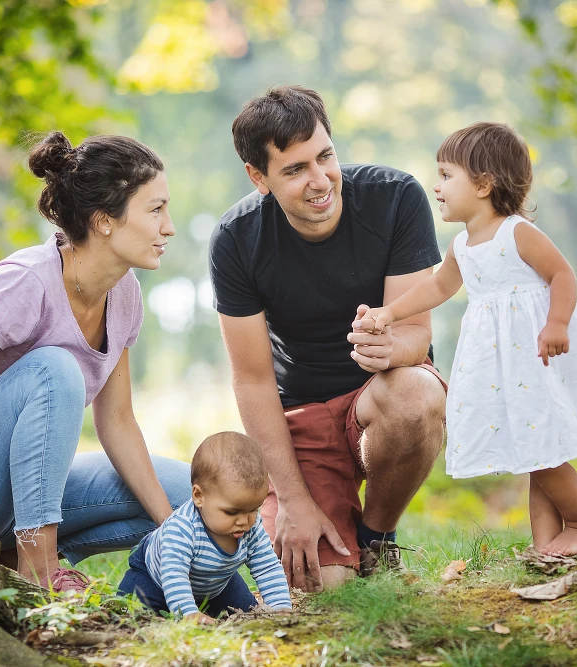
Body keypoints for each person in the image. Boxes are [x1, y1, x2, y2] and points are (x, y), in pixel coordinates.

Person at [0, 132, 192, 591]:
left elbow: (116, 421)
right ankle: (41, 569)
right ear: (104, 221)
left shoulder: (125, 292)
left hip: (26, 490)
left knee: (187, 495)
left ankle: (12, 559)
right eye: (155, 210)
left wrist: (171, 528)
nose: (168, 227)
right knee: (54, 368)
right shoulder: (26, 282)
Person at [356, 122, 577, 557]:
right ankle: (546, 542)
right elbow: (437, 287)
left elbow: (561, 274)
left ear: (484, 184)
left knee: (542, 450)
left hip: (535, 353)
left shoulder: (516, 233)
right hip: (502, 365)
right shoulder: (461, 246)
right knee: (534, 448)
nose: (437, 187)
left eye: (446, 175)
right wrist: (389, 313)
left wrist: (557, 323)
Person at [209, 86, 449, 591]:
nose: (320, 181)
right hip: (303, 416)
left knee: (417, 395)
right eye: (295, 169)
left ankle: (376, 539)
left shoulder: (395, 197)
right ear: (258, 177)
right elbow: (252, 382)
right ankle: (330, 537)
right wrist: (293, 501)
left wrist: (389, 347)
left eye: (325, 157)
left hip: (381, 393)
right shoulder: (235, 239)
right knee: (321, 588)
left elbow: (416, 336)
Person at [117, 432, 291, 621]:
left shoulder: (252, 527)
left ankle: (203, 606)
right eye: (232, 512)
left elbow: (267, 567)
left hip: (215, 583)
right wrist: (188, 613)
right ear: (199, 496)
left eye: (253, 510)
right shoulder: (182, 528)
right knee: (134, 611)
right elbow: (174, 574)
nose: (244, 520)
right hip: (154, 578)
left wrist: (280, 607)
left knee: (246, 613)